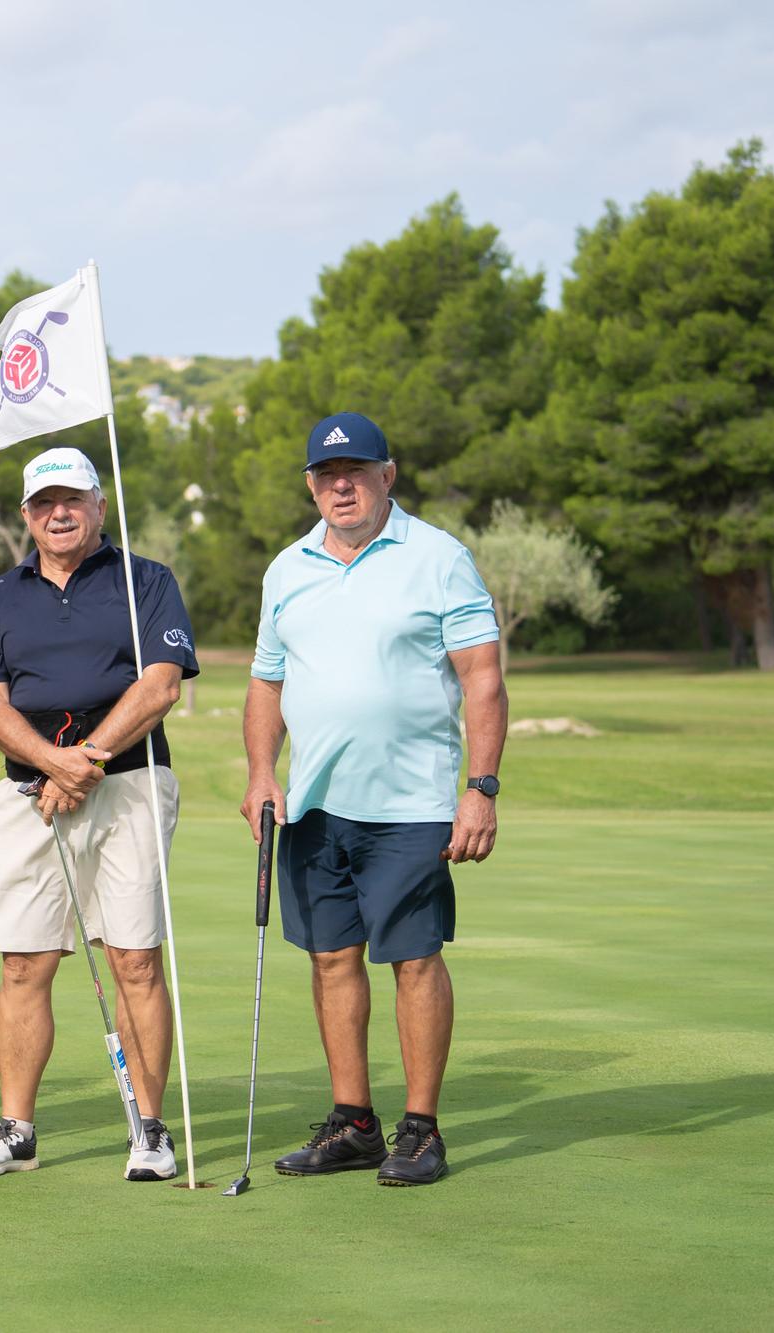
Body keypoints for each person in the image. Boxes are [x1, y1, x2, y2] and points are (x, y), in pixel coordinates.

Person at [240, 411, 507, 1187]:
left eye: (356, 471)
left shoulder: (439, 558)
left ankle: (420, 1128)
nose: (341, 485)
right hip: (315, 804)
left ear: (387, 476)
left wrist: (480, 789)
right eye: (327, 475)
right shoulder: (287, 567)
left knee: (414, 960)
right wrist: (262, 771)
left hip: (412, 802)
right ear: (312, 485)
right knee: (330, 959)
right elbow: (266, 678)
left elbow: (481, 678)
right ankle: (353, 1120)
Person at [0, 446, 198, 1182]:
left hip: (129, 786)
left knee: (135, 959)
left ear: (98, 504)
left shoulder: (144, 580)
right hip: (32, 795)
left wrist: (80, 760)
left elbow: (159, 687)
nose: (59, 513)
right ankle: (17, 1130)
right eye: (44, 502)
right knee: (25, 961)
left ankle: (150, 1130)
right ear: (26, 514)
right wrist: (54, 765)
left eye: (73, 499)